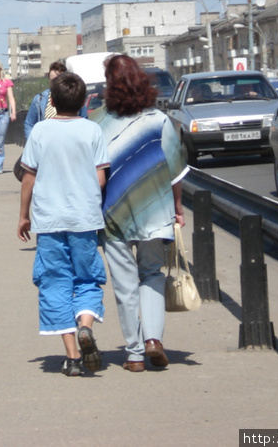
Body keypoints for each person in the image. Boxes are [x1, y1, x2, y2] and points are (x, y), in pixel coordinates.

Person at [91, 55, 189, 372]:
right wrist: (177, 208)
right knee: (151, 274)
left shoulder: (97, 122)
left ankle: (134, 355)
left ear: (109, 84)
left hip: (112, 212)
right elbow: (175, 171)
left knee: (124, 285)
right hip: (154, 210)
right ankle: (153, 340)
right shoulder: (159, 120)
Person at [17, 72, 110, 376]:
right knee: (87, 278)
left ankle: (71, 356)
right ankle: (86, 324)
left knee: (55, 282)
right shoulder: (92, 131)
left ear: (52, 103)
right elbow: (100, 177)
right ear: (85, 102)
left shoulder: (40, 132)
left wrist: (24, 215)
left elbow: (28, 177)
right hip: (84, 219)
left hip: (49, 221)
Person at [23, 61, 88, 140]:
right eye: (52, 80)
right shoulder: (39, 100)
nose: (55, 83)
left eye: (59, 80)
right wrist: (33, 143)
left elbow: (84, 121)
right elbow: (29, 124)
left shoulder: (76, 97)